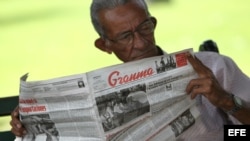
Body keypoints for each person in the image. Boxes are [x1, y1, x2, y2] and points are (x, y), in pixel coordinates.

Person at [10, 0, 250, 140]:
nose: (141, 42)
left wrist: (228, 102)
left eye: (145, 27)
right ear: (105, 45)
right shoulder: (94, 94)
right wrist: (29, 127)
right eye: (125, 36)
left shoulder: (214, 67)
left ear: (153, 23)